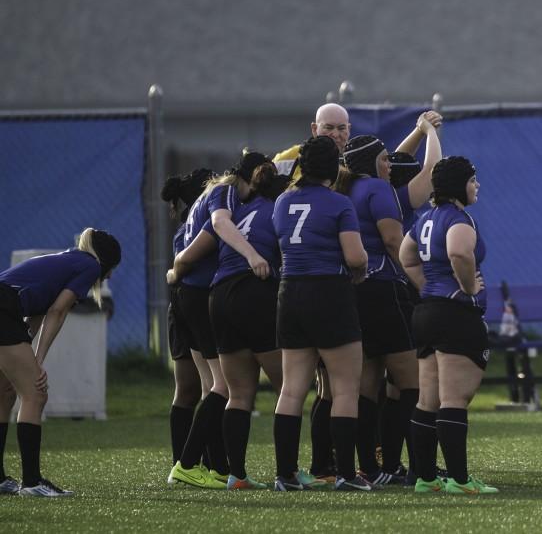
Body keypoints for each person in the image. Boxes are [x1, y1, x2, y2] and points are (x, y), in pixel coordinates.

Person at [170, 157, 288, 489]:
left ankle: (224, 470)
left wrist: (175, 271)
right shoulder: (226, 194)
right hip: (219, 290)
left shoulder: (233, 207)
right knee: (267, 388)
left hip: (207, 295)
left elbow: (185, 249)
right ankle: (191, 463)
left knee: (223, 388)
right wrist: (253, 256)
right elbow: (218, 227)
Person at [271, 136, 370, 491]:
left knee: (292, 389)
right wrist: (359, 272)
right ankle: (344, 474)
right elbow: (356, 257)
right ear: (334, 167)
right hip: (329, 291)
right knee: (344, 388)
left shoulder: (282, 201)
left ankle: (285, 475)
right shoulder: (339, 203)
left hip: (290, 292)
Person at [399, 156, 498, 494]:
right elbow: (459, 253)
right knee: (454, 398)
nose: (477, 185)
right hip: (455, 315)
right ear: (459, 185)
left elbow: (406, 255)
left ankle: (425, 478)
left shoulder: (426, 218)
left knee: (428, 399)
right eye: (473, 180)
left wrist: (425, 285)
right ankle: (459, 480)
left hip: (427, 312)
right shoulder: (458, 219)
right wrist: (468, 288)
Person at [0, 228, 121, 497]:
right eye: (112, 268)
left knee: (5, 393)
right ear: (105, 262)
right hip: (4, 307)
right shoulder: (90, 265)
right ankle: (32, 482)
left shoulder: (68, 260)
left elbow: (36, 316)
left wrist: (32, 357)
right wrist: (38, 361)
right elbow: (58, 310)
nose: (110, 275)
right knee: (35, 393)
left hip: (5, 306)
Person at [336, 134, 419, 486]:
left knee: (367, 385)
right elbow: (392, 241)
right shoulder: (377, 189)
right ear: (369, 162)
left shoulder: (346, 190)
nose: (389, 165)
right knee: (413, 383)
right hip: (383, 290)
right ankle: (401, 465)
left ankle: (369, 466)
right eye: (384, 159)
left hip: (353, 293)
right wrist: (420, 281)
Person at [380, 112, 443, 482]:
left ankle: (385, 463)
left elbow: (390, 162)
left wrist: (417, 131)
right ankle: (413, 465)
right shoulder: (402, 202)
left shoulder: (374, 188)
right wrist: (430, 131)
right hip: (400, 292)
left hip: (374, 292)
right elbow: (432, 169)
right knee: (414, 387)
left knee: (389, 387)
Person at [159, 168, 213, 473]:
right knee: (201, 388)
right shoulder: (198, 224)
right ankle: (186, 462)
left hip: (180, 307)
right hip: (189, 308)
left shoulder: (192, 223)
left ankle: (197, 461)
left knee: (195, 388)